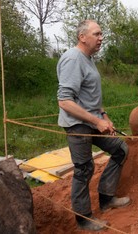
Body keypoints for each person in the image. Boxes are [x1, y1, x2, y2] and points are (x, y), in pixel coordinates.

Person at [56, 19, 130, 231]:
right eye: (97, 34)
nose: (101, 38)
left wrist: (104, 115)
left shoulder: (88, 58)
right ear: (82, 37)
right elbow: (65, 101)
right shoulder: (73, 59)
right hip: (78, 125)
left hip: (93, 121)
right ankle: (83, 219)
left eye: (101, 34)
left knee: (120, 149)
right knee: (84, 168)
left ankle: (106, 199)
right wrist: (96, 121)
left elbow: (89, 95)